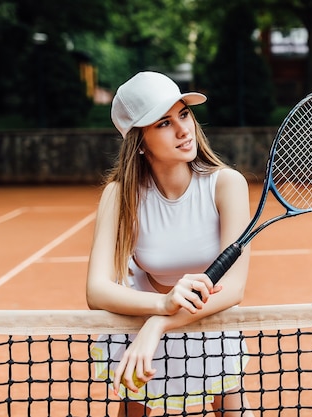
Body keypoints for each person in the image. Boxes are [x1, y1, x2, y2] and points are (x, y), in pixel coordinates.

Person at [86, 71, 253, 417]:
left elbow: (233, 289)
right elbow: (96, 290)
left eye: (184, 114)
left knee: (233, 408)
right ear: (140, 141)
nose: (183, 129)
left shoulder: (227, 185)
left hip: (208, 320)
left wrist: (160, 323)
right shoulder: (119, 196)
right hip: (142, 318)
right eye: (163, 123)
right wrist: (161, 305)